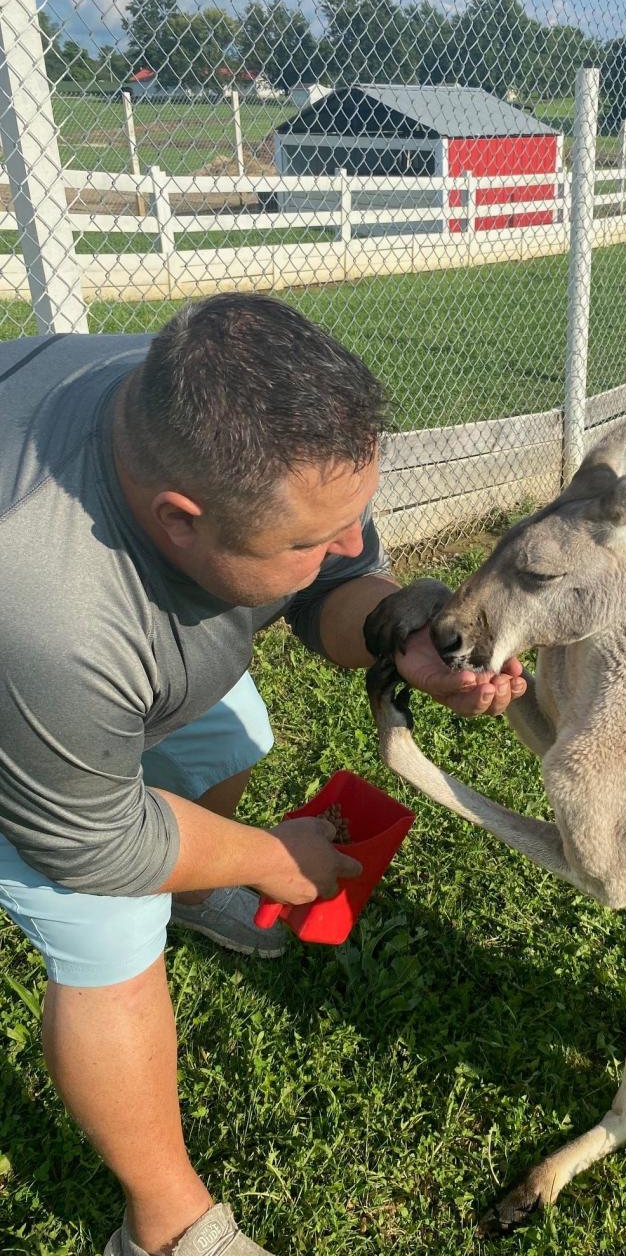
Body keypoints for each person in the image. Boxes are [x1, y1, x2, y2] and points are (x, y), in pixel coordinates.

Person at [0, 293, 526, 1256]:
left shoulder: (208, 418)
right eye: (306, 539)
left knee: (228, 731)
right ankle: (166, 1230)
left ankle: (198, 895)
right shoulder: (47, 612)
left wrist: (399, 632)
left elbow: (334, 584)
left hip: (81, 662)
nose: (350, 544)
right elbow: (95, 840)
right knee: (105, 925)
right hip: (19, 700)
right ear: (181, 522)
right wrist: (276, 863)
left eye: (354, 517)